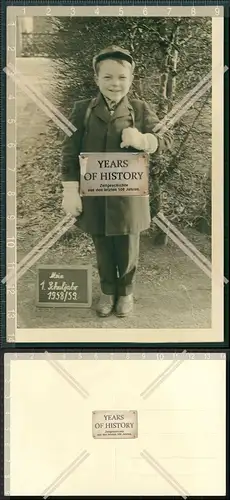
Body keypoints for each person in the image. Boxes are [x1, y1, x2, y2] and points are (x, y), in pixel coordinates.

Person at [61, 45, 173, 318]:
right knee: (101, 244)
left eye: (122, 77)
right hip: (95, 194)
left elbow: (166, 140)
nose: (115, 83)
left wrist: (144, 140)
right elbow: (69, 152)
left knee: (127, 247)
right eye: (108, 77)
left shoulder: (140, 109)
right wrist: (70, 191)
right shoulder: (82, 111)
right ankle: (107, 291)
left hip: (129, 196)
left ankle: (126, 293)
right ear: (96, 78)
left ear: (131, 79)